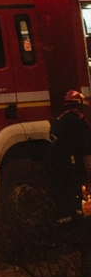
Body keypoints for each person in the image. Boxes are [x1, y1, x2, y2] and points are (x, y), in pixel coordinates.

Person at [50, 90, 91, 220]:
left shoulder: (58, 120)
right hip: (74, 159)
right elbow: (86, 148)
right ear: (78, 105)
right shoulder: (80, 122)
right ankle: (75, 210)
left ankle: (70, 211)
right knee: (76, 182)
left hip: (60, 159)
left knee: (65, 184)